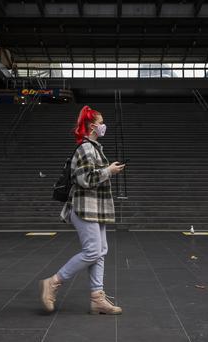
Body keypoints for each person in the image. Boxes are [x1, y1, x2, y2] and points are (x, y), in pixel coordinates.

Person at [39, 105, 126, 315]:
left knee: (100, 252)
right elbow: (84, 179)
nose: (103, 126)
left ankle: (97, 298)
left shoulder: (94, 147)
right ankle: (53, 282)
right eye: (101, 122)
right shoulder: (86, 148)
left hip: (94, 208)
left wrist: (107, 169)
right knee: (93, 251)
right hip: (84, 207)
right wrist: (109, 171)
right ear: (91, 125)